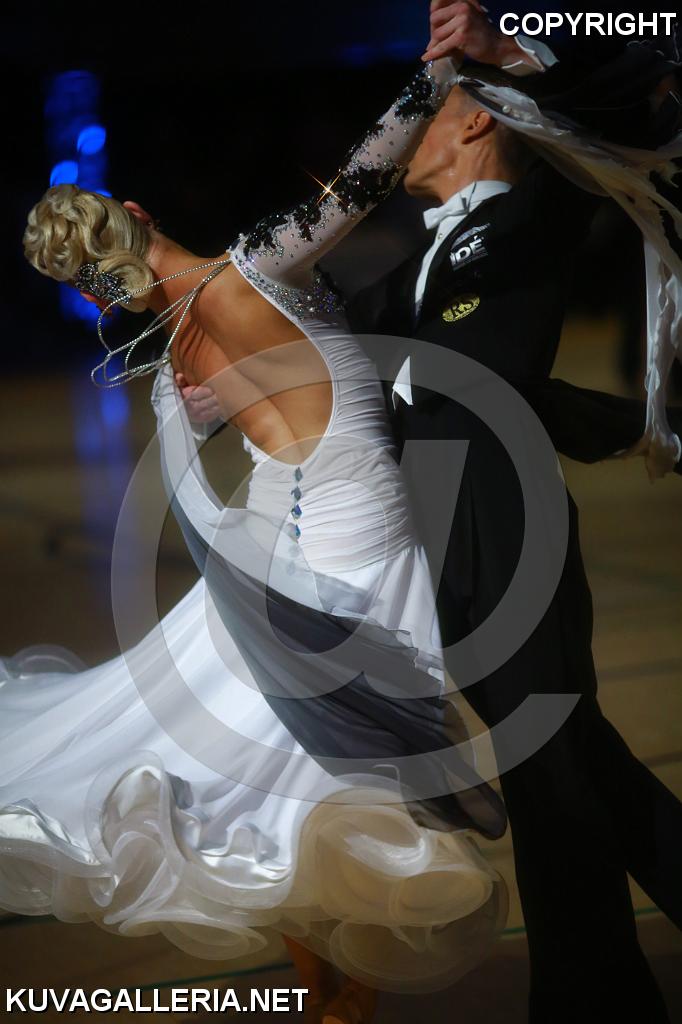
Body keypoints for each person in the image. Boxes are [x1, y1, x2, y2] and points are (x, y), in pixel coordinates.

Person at [1, 44, 528, 1024]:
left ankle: (331, 1000)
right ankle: (343, 1005)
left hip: (276, 557)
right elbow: (370, 168)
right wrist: (436, 69)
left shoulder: (172, 344)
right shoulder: (257, 264)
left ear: (94, 285)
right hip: (354, 557)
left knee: (287, 801)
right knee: (329, 797)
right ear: (137, 213)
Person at [340, 5, 682, 1023]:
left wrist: (504, 51)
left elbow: (630, 104)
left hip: (511, 524)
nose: (401, 130)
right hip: (446, 545)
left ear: (477, 122)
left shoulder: (538, 215)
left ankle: (592, 1004)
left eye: (424, 111)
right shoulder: (403, 274)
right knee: (578, 764)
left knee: (553, 774)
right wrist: (154, 271)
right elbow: (301, 327)